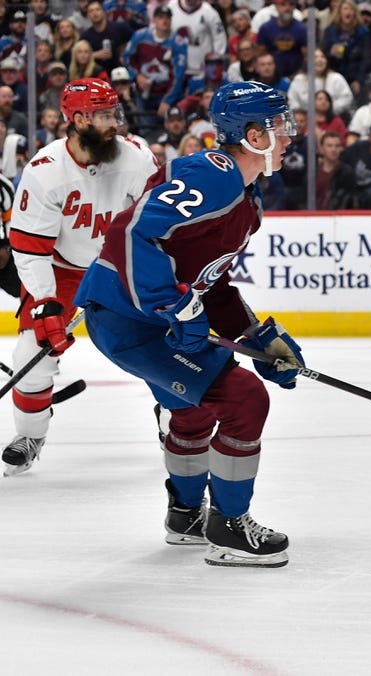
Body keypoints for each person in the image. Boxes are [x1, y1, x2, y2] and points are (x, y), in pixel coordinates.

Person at [73, 81, 300, 568]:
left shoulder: (246, 202)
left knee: (193, 410)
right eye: (280, 125)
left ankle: (184, 516)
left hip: (148, 317)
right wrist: (175, 308)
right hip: (128, 319)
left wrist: (258, 335)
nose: (289, 135)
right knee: (244, 399)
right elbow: (133, 234)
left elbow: (208, 284)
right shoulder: (212, 173)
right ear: (254, 133)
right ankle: (229, 528)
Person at [3, 79, 157, 476]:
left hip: (122, 266)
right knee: (31, 357)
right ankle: (30, 435)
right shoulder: (45, 171)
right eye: (105, 115)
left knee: (165, 343)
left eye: (114, 113)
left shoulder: (137, 158)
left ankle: (177, 424)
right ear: (78, 119)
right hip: (62, 270)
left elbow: (158, 224)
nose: (115, 123)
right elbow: (29, 247)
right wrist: (46, 302)